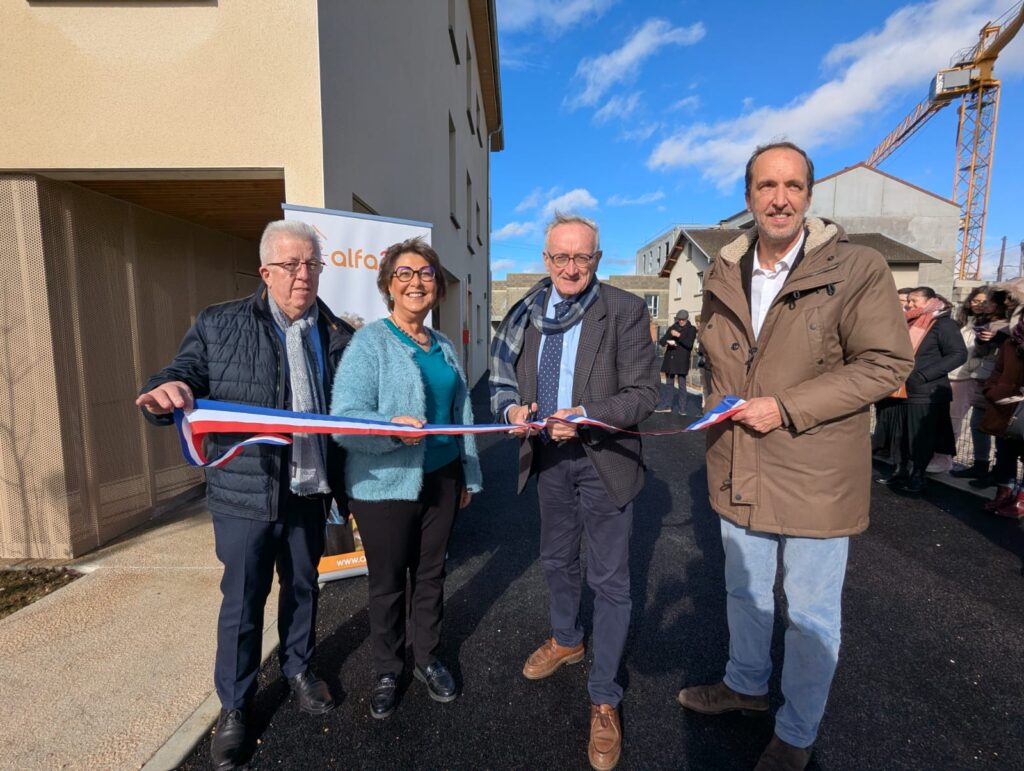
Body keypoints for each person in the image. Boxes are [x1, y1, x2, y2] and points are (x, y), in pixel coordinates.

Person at [677, 142, 913, 771]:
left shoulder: (857, 267)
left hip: (815, 471)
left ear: (809, 195)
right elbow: (720, 364)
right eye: (765, 186)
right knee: (744, 594)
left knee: (809, 615)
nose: (779, 199)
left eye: (793, 186)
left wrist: (783, 406)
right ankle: (745, 687)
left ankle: (797, 734)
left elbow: (887, 364)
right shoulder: (722, 271)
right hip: (736, 464)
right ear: (748, 195)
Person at [136, 220, 352, 770]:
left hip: (308, 489)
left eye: (312, 265)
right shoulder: (219, 324)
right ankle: (235, 706)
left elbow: (357, 405)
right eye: (291, 265)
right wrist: (173, 389)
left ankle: (299, 670)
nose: (303, 275)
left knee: (303, 589)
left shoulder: (337, 334)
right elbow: (183, 374)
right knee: (243, 602)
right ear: (265, 272)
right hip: (244, 495)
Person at [489, 212, 658, 771]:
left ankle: (605, 695)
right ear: (545, 260)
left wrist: (585, 415)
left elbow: (641, 395)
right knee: (557, 559)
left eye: (581, 257)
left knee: (610, 580)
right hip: (548, 458)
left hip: (604, 459)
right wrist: (513, 409)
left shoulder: (626, 310)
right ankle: (567, 639)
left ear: (597, 260)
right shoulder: (527, 314)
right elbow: (506, 381)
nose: (570, 267)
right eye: (559, 257)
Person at [330, 237, 482, 719]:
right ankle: (388, 668)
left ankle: (428, 657)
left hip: (441, 478)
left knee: (432, 576)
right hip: (384, 485)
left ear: (436, 286)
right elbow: (345, 418)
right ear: (388, 286)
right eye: (404, 274)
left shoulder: (441, 345)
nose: (416, 282)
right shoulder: (369, 342)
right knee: (388, 582)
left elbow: (462, 412)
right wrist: (392, 432)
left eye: (425, 274)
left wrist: (469, 474)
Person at [889, 287, 967, 491]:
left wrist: (923, 375)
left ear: (930, 300)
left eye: (914, 301)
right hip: (901, 387)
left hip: (926, 389)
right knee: (900, 433)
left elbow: (958, 354)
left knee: (921, 436)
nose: (909, 305)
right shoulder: (908, 321)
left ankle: (918, 474)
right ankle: (901, 470)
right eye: (909, 301)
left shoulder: (943, 324)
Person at [978, 278, 1024, 518]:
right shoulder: (1010, 341)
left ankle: (1020, 500)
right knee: (1004, 450)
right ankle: (1003, 493)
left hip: (1018, 404)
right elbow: (998, 369)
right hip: (1004, 402)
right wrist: (992, 389)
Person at [949, 287, 1004, 480]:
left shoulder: (1002, 325)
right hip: (971, 375)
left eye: (985, 301)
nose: (980, 305)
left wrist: (993, 339)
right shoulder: (965, 321)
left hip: (982, 378)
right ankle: (982, 466)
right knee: (976, 424)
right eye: (976, 300)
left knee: (992, 427)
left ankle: (998, 473)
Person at [655, 309, 697, 414]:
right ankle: (667, 405)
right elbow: (662, 341)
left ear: (687, 319)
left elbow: (689, 344)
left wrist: (678, 336)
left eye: (683, 320)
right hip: (670, 360)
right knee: (669, 384)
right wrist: (668, 341)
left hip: (682, 361)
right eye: (679, 319)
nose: (681, 321)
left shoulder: (691, 329)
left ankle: (682, 408)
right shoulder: (673, 327)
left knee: (682, 385)